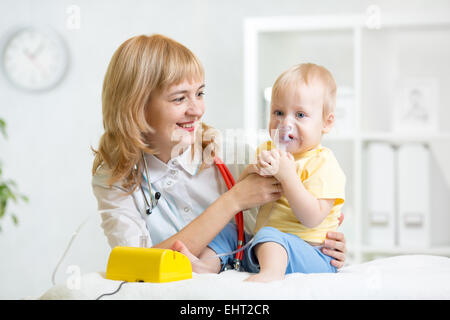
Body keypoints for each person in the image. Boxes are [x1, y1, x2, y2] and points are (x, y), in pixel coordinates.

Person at [91, 34, 347, 275]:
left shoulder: (230, 153)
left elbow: (302, 216)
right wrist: (232, 201)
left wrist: (325, 244)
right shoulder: (115, 179)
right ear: (137, 107)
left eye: (200, 94)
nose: (198, 110)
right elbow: (136, 266)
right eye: (180, 99)